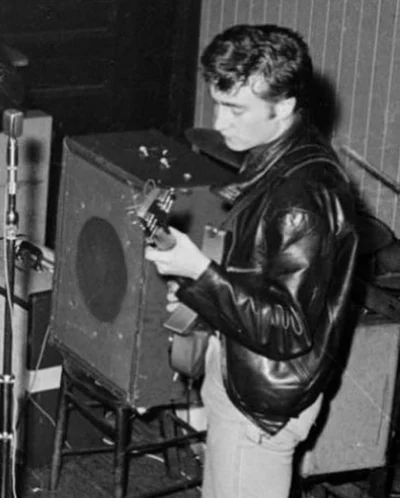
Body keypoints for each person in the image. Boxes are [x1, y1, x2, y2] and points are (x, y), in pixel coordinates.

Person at [145, 24, 358, 498]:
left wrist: (200, 274)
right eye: (218, 104)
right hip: (244, 380)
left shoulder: (300, 198)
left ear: (283, 106)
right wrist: (200, 289)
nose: (220, 123)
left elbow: (287, 328)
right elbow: (263, 281)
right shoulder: (277, 157)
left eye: (236, 109)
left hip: (258, 407)